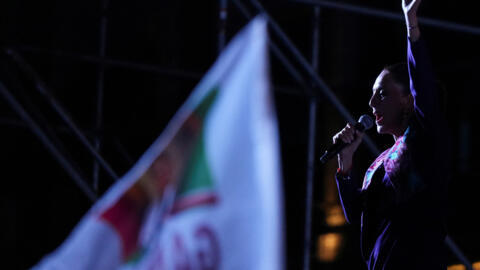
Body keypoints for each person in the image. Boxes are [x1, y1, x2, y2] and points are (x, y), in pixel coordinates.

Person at [332, 0, 450, 269]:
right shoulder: (380, 161)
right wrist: (346, 163)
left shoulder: (425, 137)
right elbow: (357, 215)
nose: (372, 103)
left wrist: (412, 26)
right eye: (372, 94)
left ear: (408, 101)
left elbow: (424, 88)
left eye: (382, 94)